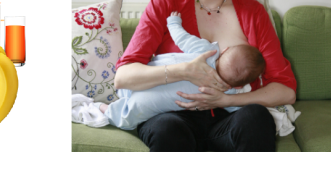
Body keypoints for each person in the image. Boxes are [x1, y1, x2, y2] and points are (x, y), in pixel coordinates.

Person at [113, 0, 297, 152]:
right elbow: (123, 77)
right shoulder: (166, 3)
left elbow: (285, 90)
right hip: (170, 115)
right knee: (166, 129)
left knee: (256, 118)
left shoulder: (253, 12)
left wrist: (227, 100)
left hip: (228, 118)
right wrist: (183, 71)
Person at [72, 11, 265, 130]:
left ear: (226, 50)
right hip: (145, 101)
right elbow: (235, 109)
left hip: (145, 75)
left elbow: (182, 38)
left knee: (135, 92)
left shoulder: (208, 51)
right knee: (126, 118)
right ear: (240, 84)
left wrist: (173, 22)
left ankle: (105, 102)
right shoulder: (226, 91)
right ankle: (101, 108)